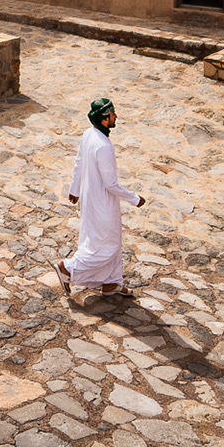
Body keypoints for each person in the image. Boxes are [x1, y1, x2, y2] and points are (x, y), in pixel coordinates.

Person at [56, 97, 145, 297]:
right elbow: (111, 184)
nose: (116, 117)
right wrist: (134, 198)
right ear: (105, 120)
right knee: (106, 245)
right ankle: (67, 267)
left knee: (107, 242)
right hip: (103, 204)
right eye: (113, 114)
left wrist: (75, 188)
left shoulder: (89, 134)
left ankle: (111, 282)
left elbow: (79, 161)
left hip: (90, 199)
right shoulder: (104, 146)